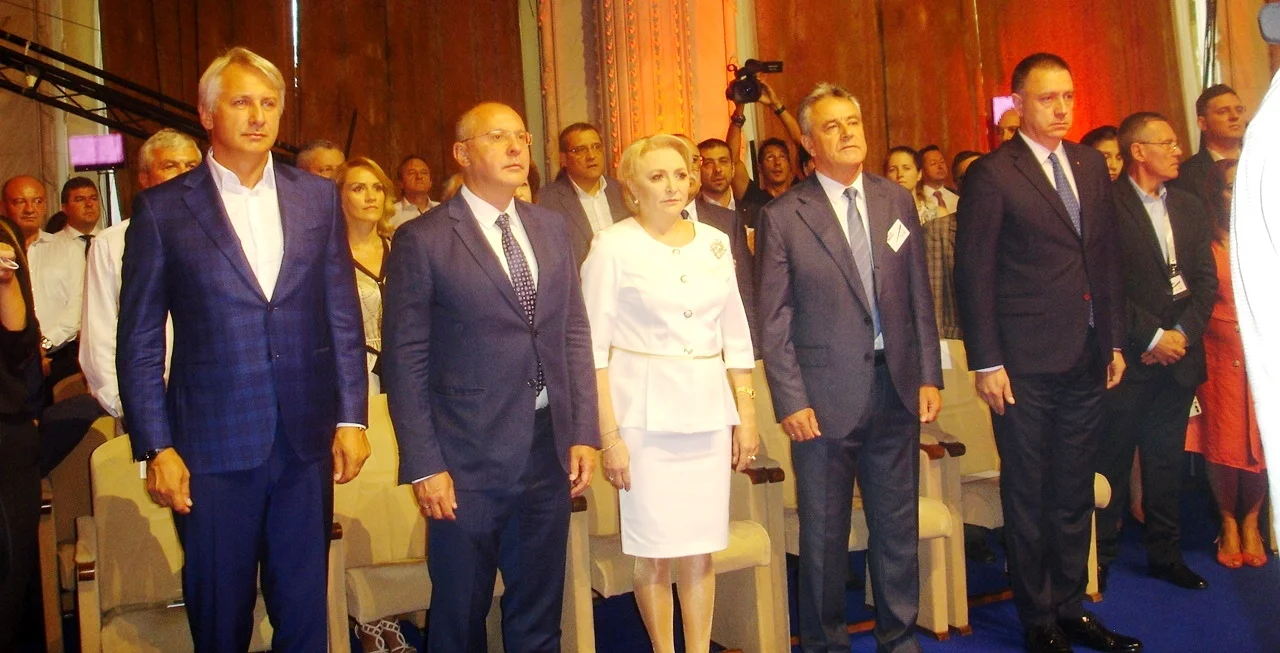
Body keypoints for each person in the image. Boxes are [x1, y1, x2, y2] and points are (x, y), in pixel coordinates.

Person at [117, 47, 370, 651]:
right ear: (208, 114)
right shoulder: (164, 209)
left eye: (268, 103)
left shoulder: (315, 198)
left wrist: (352, 417)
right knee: (221, 615)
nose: (258, 116)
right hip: (210, 447)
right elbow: (140, 340)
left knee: (305, 614)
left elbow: (342, 315)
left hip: (305, 442)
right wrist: (155, 446)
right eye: (241, 102)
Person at [382, 101, 599, 653]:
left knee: (539, 613)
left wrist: (583, 431)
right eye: (497, 137)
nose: (514, 147)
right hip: (464, 456)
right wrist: (424, 463)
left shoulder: (550, 227)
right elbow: (406, 361)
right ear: (461, 153)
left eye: (521, 137)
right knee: (460, 614)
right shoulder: (424, 239)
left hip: (546, 447)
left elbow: (573, 332)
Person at [954, 53, 1141, 653]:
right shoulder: (993, 173)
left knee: (1073, 488)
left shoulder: (1089, 164)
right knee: (1030, 491)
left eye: (1068, 96)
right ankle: (1038, 620)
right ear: (1017, 104)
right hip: (1022, 364)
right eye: (1047, 98)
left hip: (1087, 353)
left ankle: (1071, 606)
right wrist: (986, 362)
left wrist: (1114, 339)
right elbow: (973, 274)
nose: (1061, 109)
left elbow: (1105, 259)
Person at [757, 82, 942, 653]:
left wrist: (929, 374)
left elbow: (918, 295)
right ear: (809, 143)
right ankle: (824, 644)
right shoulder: (784, 215)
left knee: (897, 527)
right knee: (824, 537)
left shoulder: (895, 200)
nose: (847, 133)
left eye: (853, 122)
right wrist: (790, 400)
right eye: (832, 126)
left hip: (897, 386)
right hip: (822, 397)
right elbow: (774, 320)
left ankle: (899, 639)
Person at [581, 132, 757, 653]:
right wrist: (609, 436)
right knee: (654, 550)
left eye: (681, 174)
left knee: (701, 549)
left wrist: (746, 416)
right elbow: (591, 351)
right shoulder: (612, 245)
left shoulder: (715, 242)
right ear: (631, 187)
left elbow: (736, 335)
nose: (672, 186)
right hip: (644, 421)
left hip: (707, 415)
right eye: (657, 176)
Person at [1097, 112, 1216, 592]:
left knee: (1166, 463)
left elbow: (1204, 282)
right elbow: (1103, 285)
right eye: (1166, 143)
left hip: (1178, 357)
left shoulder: (1188, 205)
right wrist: (1150, 338)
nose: (1177, 150)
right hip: (1128, 357)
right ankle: (1100, 558)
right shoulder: (1105, 205)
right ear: (1138, 151)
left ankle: (1166, 555)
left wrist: (1180, 336)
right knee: (1112, 460)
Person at [81, 128, 202, 420]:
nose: (183, 175)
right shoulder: (112, 243)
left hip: (213, 401)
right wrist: (133, 410)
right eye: (170, 165)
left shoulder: (224, 237)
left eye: (191, 166)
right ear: (144, 179)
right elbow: (99, 339)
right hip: (149, 404)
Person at [1187, 158, 1270, 568]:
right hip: (1218, 354)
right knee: (1221, 439)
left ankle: (1252, 522)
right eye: (1230, 187)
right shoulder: (1203, 243)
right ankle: (1228, 522)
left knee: (1260, 440)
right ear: (1214, 194)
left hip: (1264, 352)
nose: (1238, 195)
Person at [0, 215, 43, 652]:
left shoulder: (2, 236)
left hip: (6, 429)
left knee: (10, 578)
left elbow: (21, 343)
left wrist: (7, 282)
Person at [28, 177, 102, 387]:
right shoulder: (46, 247)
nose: (89, 204)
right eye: (80, 199)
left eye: (93, 198)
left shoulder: (114, 243)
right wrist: (44, 344)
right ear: (64, 208)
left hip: (106, 343)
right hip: (62, 350)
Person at [536, 122, 630, 268]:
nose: (591, 156)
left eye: (596, 147)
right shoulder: (546, 201)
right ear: (563, 159)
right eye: (580, 150)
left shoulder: (623, 191)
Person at [1171, 85, 1246, 204]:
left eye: (1239, 110)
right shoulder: (1186, 176)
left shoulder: (1264, 162)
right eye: (1223, 112)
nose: (1234, 116)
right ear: (1202, 123)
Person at [390, 155, 438, 229]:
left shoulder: (442, 210)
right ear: (400, 182)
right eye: (412, 173)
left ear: (430, 182)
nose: (419, 177)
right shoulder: (391, 214)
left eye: (424, 173)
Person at [1, 176, 48, 249]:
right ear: (3, 207)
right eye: (20, 202)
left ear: (45, 206)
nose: (29, 210)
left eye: (37, 201)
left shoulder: (62, 246)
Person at [920, 145, 959, 213]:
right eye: (933, 163)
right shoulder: (917, 199)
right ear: (921, 170)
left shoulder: (956, 197)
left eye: (942, 162)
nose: (940, 166)